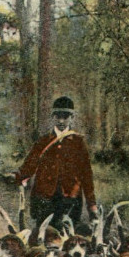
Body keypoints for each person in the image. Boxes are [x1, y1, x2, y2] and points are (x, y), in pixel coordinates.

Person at [11, 96, 98, 225]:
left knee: (67, 237)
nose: (61, 121)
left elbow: (86, 174)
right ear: (53, 117)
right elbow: (30, 164)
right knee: (43, 236)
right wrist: (17, 175)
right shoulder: (44, 141)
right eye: (58, 116)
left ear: (72, 117)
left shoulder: (78, 143)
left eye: (66, 117)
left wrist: (91, 205)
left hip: (70, 199)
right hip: (44, 198)